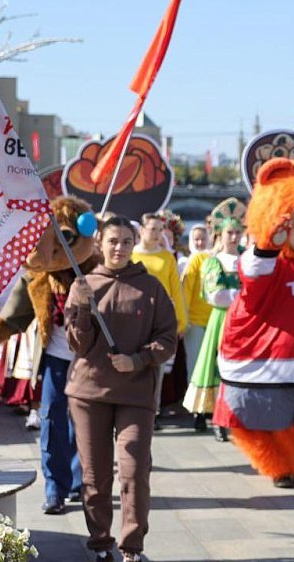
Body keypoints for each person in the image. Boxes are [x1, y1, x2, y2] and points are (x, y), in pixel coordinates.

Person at [65, 215, 178, 562]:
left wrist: (139, 359)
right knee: (95, 476)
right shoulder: (84, 284)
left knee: (134, 470)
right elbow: (77, 345)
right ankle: (101, 543)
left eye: (126, 241)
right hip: (88, 392)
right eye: (113, 241)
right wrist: (81, 306)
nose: (119, 248)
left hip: (136, 393)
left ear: (134, 243)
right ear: (99, 242)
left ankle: (132, 547)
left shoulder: (151, 287)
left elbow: (168, 338)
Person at [183, 217, 243, 438]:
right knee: (217, 367)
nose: (234, 237)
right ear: (220, 235)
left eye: (237, 232)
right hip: (223, 320)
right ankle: (218, 419)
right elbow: (215, 296)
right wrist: (244, 294)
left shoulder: (247, 259)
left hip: (245, 320)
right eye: (229, 233)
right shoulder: (214, 261)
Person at [132, 213, 188, 423]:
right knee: (136, 366)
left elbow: (176, 291)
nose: (156, 234)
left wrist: (180, 321)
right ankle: (133, 409)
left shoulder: (167, 257)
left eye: (160, 229)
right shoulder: (131, 255)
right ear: (142, 230)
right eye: (152, 229)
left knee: (158, 367)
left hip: (160, 319)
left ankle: (152, 412)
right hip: (135, 319)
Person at [180, 224, 213, 385]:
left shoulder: (215, 257)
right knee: (195, 366)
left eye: (203, 239)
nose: (200, 243)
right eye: (196, 239)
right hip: (195, 322)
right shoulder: (194, 259)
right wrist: (184, 319)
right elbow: (185, 291)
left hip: (214, 321)